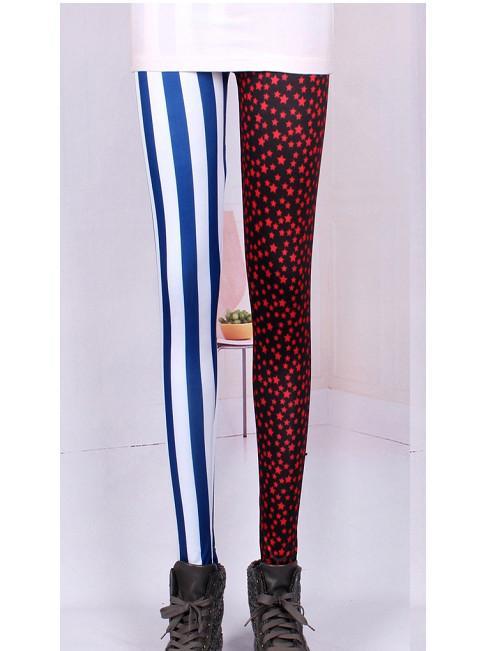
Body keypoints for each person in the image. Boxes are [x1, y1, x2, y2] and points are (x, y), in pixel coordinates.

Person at [131, 3, 334, 649]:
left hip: (288, 20)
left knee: (283, 296)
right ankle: (195, 593)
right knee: (186, 295)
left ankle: (277, 587)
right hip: (175, 22)